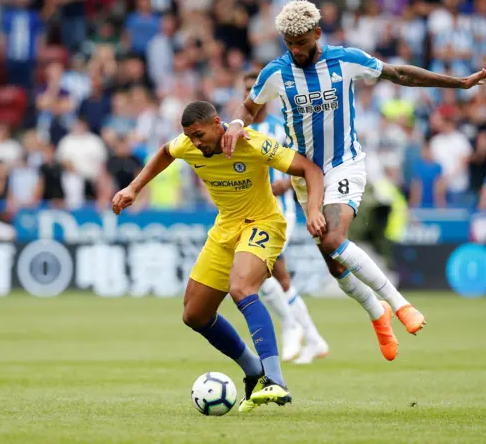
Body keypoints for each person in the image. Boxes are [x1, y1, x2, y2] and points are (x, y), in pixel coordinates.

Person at [222, 0, 486, 360]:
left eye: (301, 42)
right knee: (332, 257)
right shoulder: (275, 72)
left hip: (344, 163)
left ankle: (399, 305)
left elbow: (398, 73)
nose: (296, 50)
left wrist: (458, 84)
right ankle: (376, 312)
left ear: (317, 34)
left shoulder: (345, 60)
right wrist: (236, 124)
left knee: (334, 237)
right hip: (305, 174)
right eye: (289, 43)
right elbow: (249, 105)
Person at [111, 101, 326, 413]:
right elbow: (164, 153)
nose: (196, 143)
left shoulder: (252, 143)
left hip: (263, 223)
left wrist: (313, 209)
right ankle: (253, 370)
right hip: (226, 228)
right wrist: (134, 188)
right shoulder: (188, 145)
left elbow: (309, 168)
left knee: (241, 288)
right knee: (195, 315)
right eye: (190, 137)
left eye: (200, 135)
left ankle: (275, 380)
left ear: (217, 123)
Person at [243, 71, 329, 365]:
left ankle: (292, 328)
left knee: (264, 273)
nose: (252, 96)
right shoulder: (238, 130)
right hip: (251, 213)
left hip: (280, 212)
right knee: (277, 278)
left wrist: (287, 184)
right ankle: (313, 338)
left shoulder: (281, 129)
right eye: (247, 91)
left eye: (255, 89)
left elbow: (307, 165)